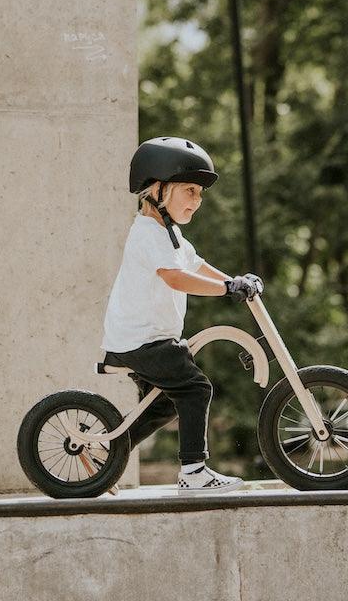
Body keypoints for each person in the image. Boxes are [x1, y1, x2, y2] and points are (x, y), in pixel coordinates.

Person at [101, 136, 263, 494]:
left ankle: (105, 452)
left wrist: (235, 281)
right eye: (190, 190)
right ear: (158, 189)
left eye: (200, 193)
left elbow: (197, 265)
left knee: (162, 405)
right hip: (142, 340)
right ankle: (193, 472)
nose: (198, 200)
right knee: (195, 388)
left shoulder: (169, 233)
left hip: (148, 339)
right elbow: (176, 278)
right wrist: (227, 289)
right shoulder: (148, 233)